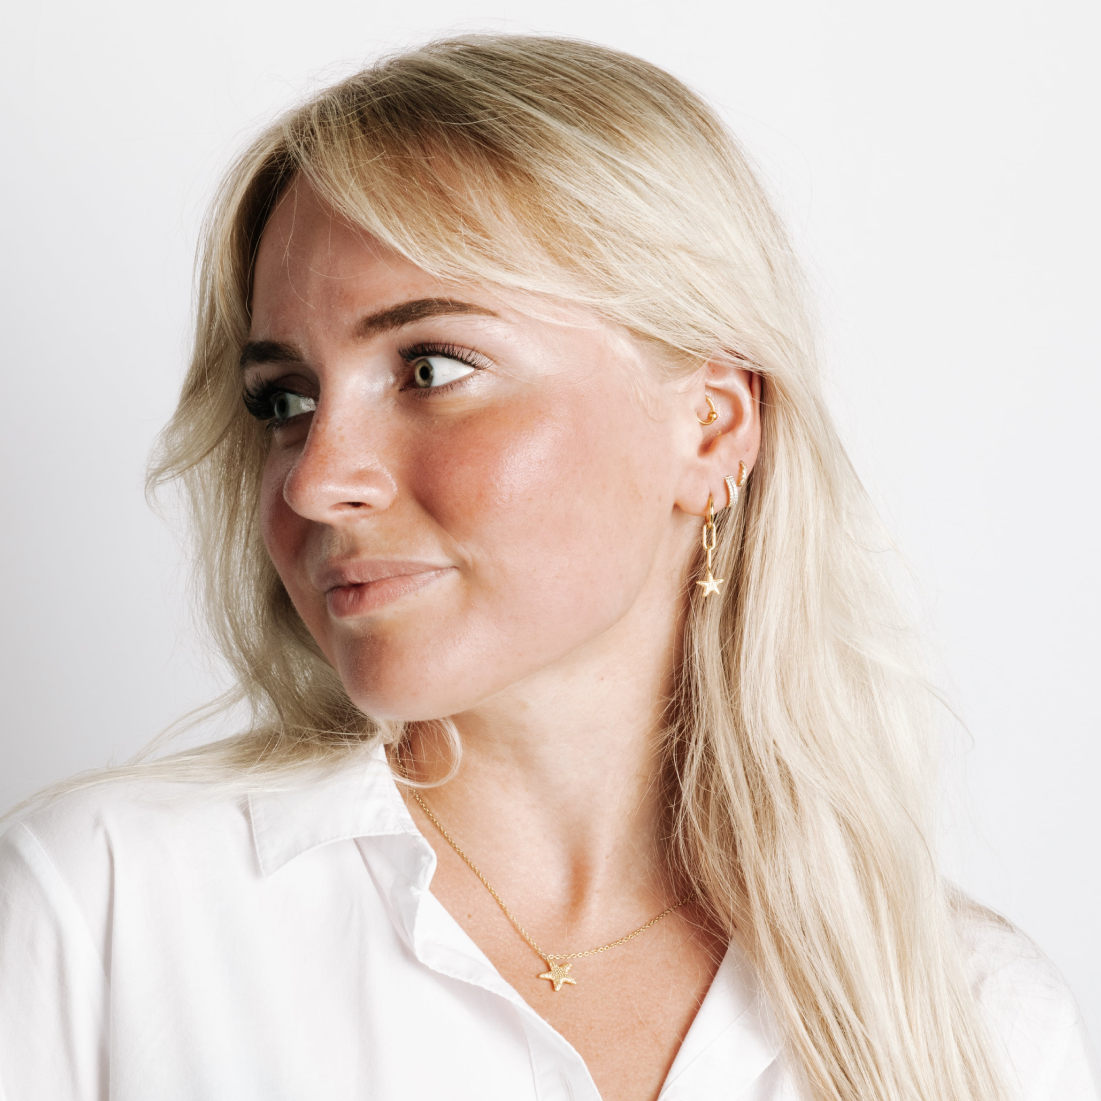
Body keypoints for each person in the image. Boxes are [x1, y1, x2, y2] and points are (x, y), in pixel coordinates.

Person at [0, 34, 1096, 1101]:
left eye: (431, 368)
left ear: (710, 426)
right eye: (285, 399)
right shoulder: (103, 914)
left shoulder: (978, 1028)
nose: (317, 479)